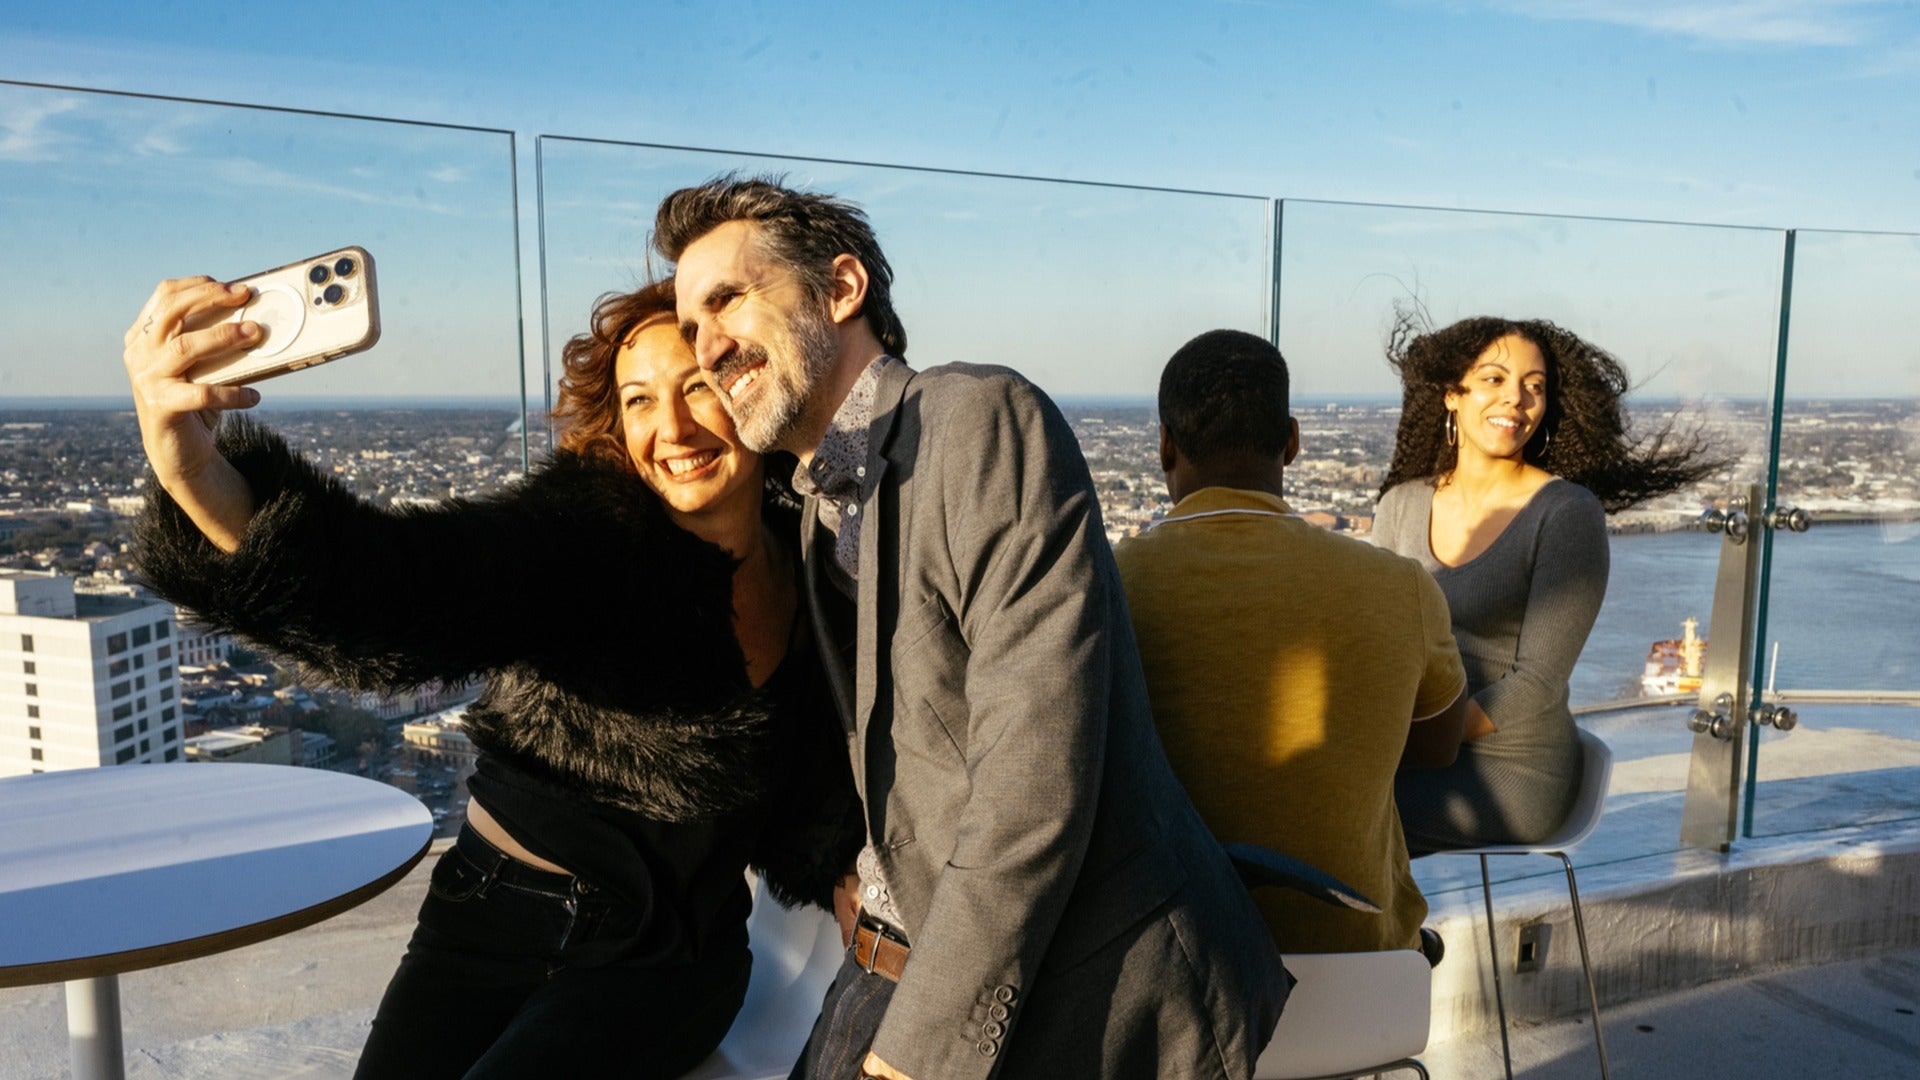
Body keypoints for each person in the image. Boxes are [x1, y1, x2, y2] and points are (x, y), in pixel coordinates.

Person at [122, 274, 862, 1079]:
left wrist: (845, 866)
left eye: (697, 387)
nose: (672, 426)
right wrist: (192, 469)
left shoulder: (823, 565)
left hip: (670, 954)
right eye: (639, 401)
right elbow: (396, 592)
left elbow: (826, 755)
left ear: (749, 388)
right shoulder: (586, 538)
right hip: (486, 919)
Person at [654, 176, 1290, 1080]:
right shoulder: (813, 508)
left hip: (1073, 984)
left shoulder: (976, 423)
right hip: (889, 950)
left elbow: (1033, 782)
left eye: (727, 300)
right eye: (689, 327)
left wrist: (915, 1056)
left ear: (842, 290)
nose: (707, 346)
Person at [1113, 328, 1468, 957]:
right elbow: (1438, 746)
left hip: (1171, 970)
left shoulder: (1104, 589)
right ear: (1294, 441)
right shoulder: (1400, 586)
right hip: (1359, 968)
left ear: (1165, 446)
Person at [1373, 314, 1722, 854]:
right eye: (1494, 379)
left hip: (1514, 770)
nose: (1516, 398)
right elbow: (1373, 640)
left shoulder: (1565, 515)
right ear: (1451, 395)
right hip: (1410, 746)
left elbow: (1534, 683)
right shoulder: (1401, 507)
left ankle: (1390, 940)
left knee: (1336, 811)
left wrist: (1410, 741)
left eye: (1533, 387)